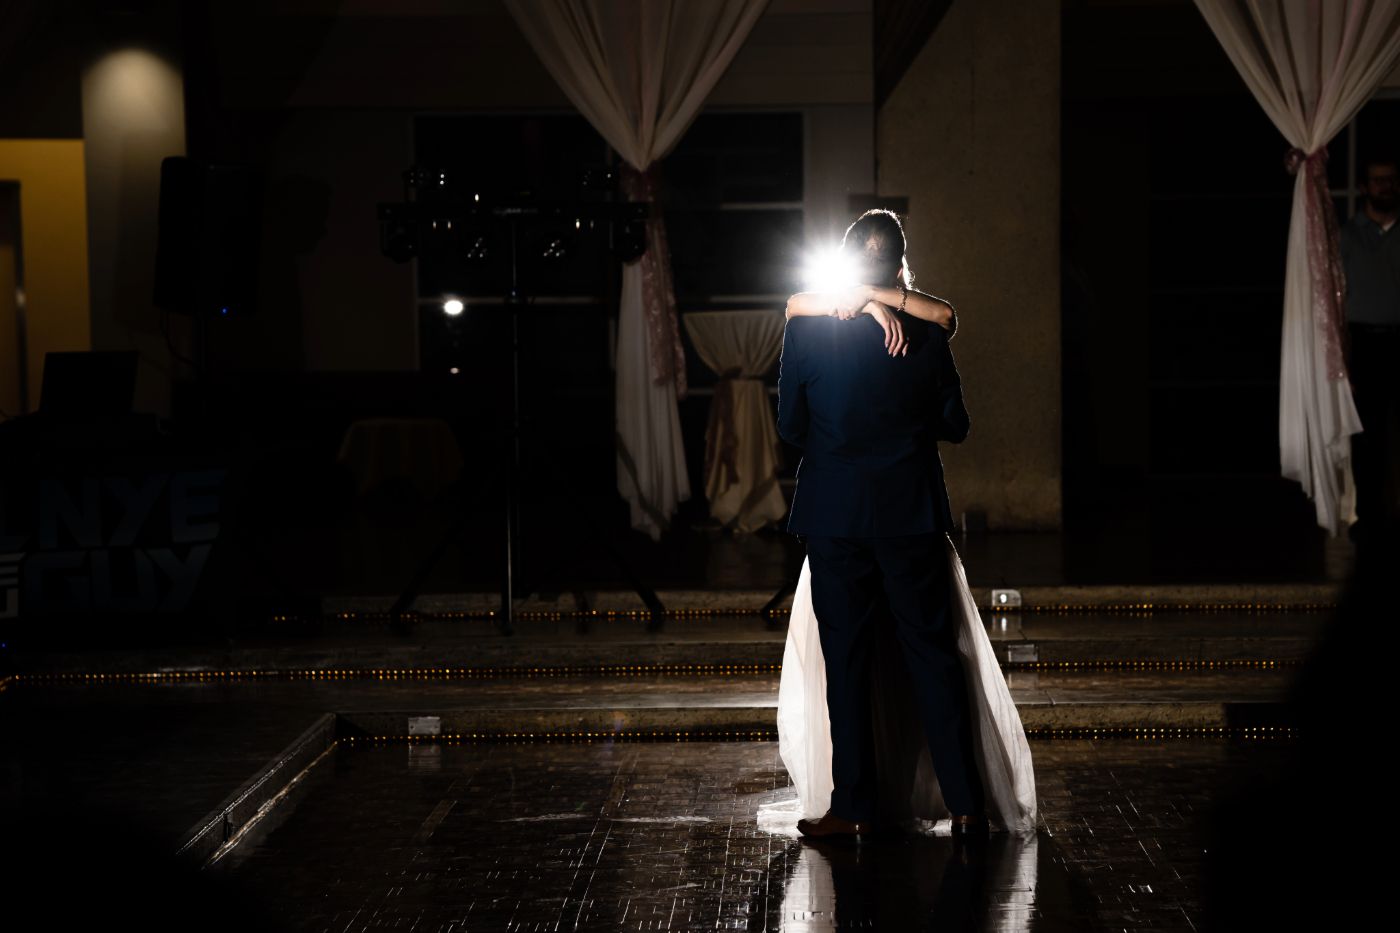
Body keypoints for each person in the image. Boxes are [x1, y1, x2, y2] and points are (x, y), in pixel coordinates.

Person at [765, 211, 1035, 842]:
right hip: (909, 512)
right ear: (899, 267)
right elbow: (956, 425)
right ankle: (967, 806)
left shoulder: (807, 332)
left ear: (847, 261)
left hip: (835, 512)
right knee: (934, 656)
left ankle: (854, 807)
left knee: (848, 660)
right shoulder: (927, 333)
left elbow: (791, 429)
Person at [1342, 153, 1400, 541]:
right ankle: (1370, 516)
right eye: (1378, 180)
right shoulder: (1346, 235)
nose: (1385, 186)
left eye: (1391, 179)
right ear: (1364, 187)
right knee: (1367, 437)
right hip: (1364, 343)